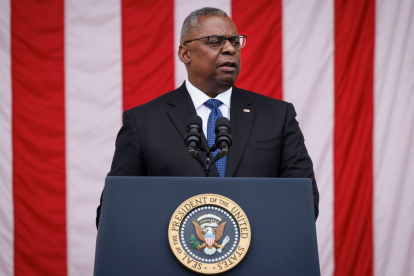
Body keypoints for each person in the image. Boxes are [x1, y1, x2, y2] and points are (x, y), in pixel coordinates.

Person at [96, 7, 319, 228]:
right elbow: (114, 211)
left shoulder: (277, 116)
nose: (230, 49)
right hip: (171, 260)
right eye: (215, 41)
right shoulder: (143, 122)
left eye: (234, 41)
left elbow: (305, 201)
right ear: (185, 54)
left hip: (259, 259)